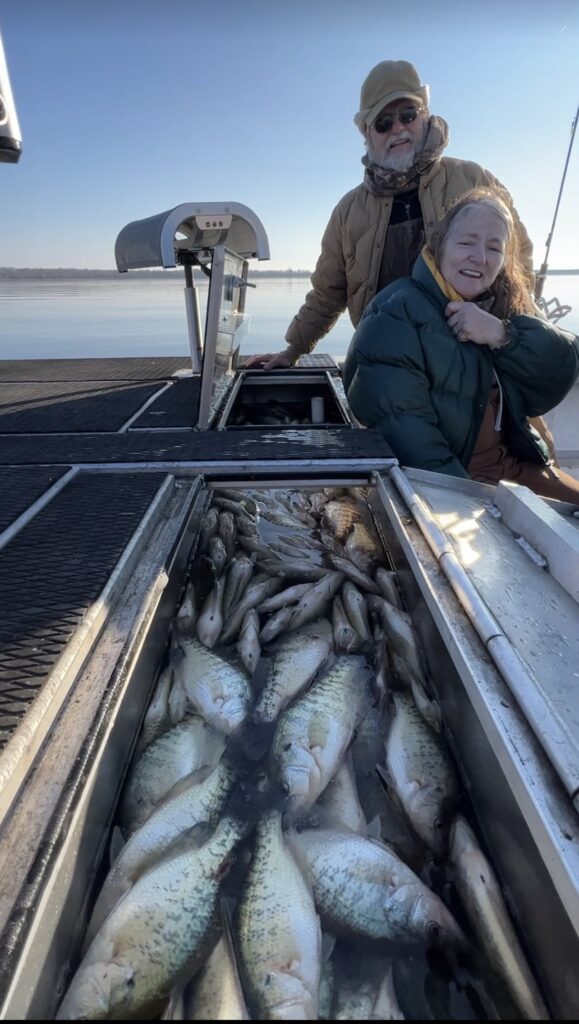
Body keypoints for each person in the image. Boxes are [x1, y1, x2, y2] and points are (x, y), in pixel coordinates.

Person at [246, 59, 533, 371]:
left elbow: (519, 260)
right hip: (389, 364)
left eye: (408, 115)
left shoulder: (473, 179)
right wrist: (293, 350)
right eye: (383, 123)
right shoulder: (347, 211)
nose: (397, 129)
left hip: (473, 361)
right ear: (367, 133)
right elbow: (327, 294)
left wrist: (508, 332)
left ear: (426, 116)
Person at [341, 187, 579, 503]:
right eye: (466, 242)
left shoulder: (499, 306)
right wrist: (468, 504)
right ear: (439, 245)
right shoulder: (396, 312)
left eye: (494, 248)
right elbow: (409, 437)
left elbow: (562, 367)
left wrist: (502, 335)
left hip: (514, 469)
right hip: (461, 481)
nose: (479, 258)